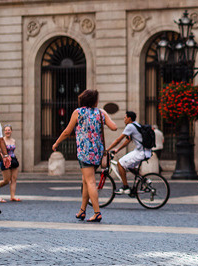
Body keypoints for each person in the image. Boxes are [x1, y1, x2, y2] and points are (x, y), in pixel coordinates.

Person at [52, 89, 118, 223]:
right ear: (94, 100)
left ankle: (97, 213)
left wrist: (56, 143)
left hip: (85, 152)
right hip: (97, 152)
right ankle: (82, 210)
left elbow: (67, 131)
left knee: (90, 182)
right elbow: (114, 127)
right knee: (85, 180)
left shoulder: (78, 112)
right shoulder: (101, 112)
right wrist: (103, 118)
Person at [105, 110, 152, 196]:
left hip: (141, 152)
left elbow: (119, 140)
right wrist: (117, 150)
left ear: (129, 118)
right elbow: (128, 140)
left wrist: (107, 149)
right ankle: (145, 180)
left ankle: (125, 187)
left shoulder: (130, 126)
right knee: (129, 166)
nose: (124, 119)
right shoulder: (136, 125)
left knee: (120, 163)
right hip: (144, 151)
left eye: (125, 117)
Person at [0, 125, 21, 201]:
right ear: (4, 132)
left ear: (11, 131)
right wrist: (4, 158)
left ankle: (12, 196)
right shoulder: (1, 140)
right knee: (6, 180)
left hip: (13, 160)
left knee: (14, 179)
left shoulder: (13, 140)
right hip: (5, 160)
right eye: (6, 130)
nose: (7, 131)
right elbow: (0, 152)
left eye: (9, 130)